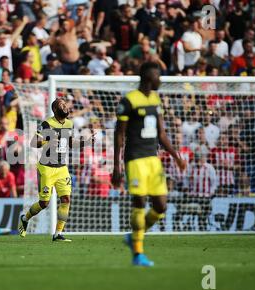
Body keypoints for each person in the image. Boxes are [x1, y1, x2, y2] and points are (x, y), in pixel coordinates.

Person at [112, 62, 186, 266]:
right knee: (139, 203)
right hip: (135, 159)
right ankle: (138, 253)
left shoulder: (155, 98)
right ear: (148, 77)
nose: (160, 80)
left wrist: (176, 156)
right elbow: (119, 134)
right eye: (157, 76)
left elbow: (161, 133)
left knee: (161, 206)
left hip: (153, 159)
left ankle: (135, 235)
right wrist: (116, 166)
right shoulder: (128, 101)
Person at [18, 98, 95, 241]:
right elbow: (33, 142)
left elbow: (71, 143)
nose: (65, 107)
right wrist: (48, 141)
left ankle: (58, 233)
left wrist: (86, 142)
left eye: (66, 104)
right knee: (44, 203)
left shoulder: (70, 124)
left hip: (62, 168)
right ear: (55, 109)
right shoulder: (47, 124)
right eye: (62, 105)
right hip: (46, 168)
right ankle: (25, 218)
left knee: (66, 199)